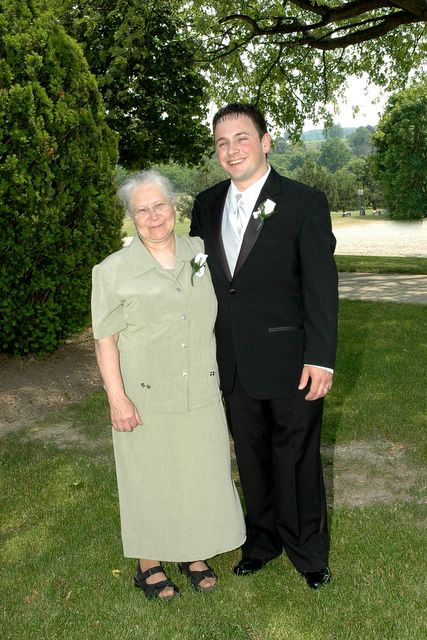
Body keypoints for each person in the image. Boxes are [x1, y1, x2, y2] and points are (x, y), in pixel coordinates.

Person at [190, 104, 338, 589]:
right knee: (251, 457)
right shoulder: (206, 204)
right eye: (222, 142)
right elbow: (198, 278)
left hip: (292, 360)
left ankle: (308, 552)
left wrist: (320, 358)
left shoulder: (303, 201)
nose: (231, 150)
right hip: (232, 359)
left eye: (242, 138)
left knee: (297, 458)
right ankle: (262, 543)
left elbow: (321, 286)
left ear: (265, 142)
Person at [91, 169, 245, 600]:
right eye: (142, 210)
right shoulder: (112, 271)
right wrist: (117, 399)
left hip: (201, 388)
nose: (153, 216)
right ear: (131, 217)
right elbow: (105, 340)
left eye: (159, 205)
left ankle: (193, 552)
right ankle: (149, 563)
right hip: (145, 395)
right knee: (149, 478)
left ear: (174, 206)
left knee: (199, 474)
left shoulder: (199, 252)